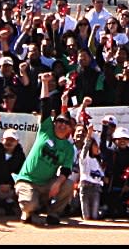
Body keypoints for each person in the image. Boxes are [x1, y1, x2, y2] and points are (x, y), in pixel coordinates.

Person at [12, 76, 76, 226]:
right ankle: (27, 211)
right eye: (59, 121)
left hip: (46, 183)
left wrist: (57, 183)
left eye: (66, 123)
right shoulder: (46, 131)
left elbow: (66, 170)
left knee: (68, 184)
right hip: (27, 180)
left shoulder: (68, 147)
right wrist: (45, 83)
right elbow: (45, 105)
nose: (62, 124)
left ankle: (53, 213)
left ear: (70, 129)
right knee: (29, 205)